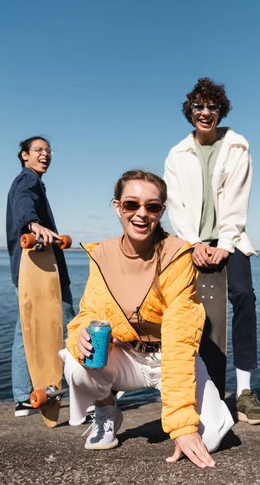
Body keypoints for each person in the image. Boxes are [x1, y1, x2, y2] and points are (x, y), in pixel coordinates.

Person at [61, 170, 234, 468]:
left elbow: (180, 339)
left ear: (161, 211)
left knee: (211, 438)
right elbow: (90, 311)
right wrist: (81, 332)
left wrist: (182, 425)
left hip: (169, 356)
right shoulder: (102, 255)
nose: (141, 214)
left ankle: (195, 419)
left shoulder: (177, 255)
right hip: (127, 357)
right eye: (131, 205)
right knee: (77, 362)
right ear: (117, 207)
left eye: (152, 207)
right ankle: (105, 410)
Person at [164, 77, 260, 425]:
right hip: (190, 242)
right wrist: (193, 243)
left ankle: (243, 392)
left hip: (232, 238)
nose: (205, 112)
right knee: (189, 311)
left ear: (221, 110)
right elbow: (175, 204)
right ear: (190, 111)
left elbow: (239, 199)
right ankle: (202, 389)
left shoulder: (237, 145)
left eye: (212, 106)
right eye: (199, 106)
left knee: (244, 298)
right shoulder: (177, 154)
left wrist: (224, 245)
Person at [6, 136, 75, 417]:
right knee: (74, 323)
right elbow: (25, 204)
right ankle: (98, 388)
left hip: (24, 270)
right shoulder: (27, 180)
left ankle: (24, 398)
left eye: (48, 151)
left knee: (26, 331)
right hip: (43, 270)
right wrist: (33, 223)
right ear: (25, 155)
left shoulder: (28, 181)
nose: (45, 154)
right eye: (38, 150)